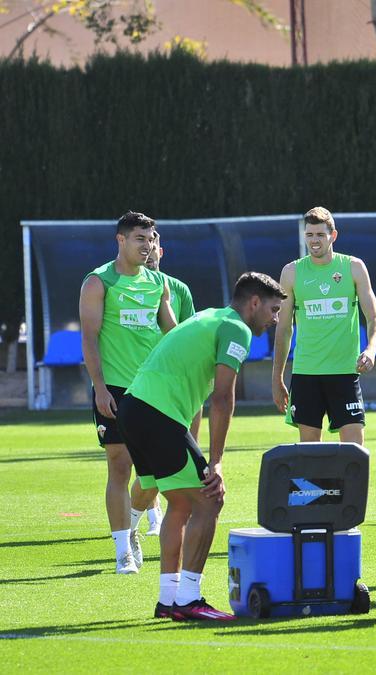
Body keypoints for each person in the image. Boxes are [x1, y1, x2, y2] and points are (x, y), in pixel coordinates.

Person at [118, 272, 284, 620]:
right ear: (254, 303)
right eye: (272, 309)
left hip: (134, 409)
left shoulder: (210, 315)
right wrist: (217, 462)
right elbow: (223, 398)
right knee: (210, 498)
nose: (275, 319)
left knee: (180, 503)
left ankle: (169, 600)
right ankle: (189, 598)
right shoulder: (236, 328)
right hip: (155, 412)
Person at [79, 211, 177, 574]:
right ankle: (123, 552)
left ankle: (134, 526)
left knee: (153, 474)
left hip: (153, 389)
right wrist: (101, 388)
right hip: (115, 389)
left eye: (151, 239)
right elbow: (88, 338)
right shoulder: (98, 282)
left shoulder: (158, 283)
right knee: (119, 467)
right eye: (140, 239)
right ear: (121, 240)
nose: (147, 246)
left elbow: (172, 332)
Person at [272, 207, 376, 446]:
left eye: (320, 235)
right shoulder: (291, 272)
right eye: (309, 234)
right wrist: (277, 377)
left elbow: (373, 317)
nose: (314, 240)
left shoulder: (353, 267)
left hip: (344, 371)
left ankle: (350, 486)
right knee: (310, 451)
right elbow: (283, 329)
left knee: (354, 449)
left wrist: (371, 349)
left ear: (333, 236)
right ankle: (319, 486)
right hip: (306, 373)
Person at [137, 233, 199, 537]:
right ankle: (145, 515)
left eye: (152, 247)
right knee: (138, 457)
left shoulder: (179, 290)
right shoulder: (123, 284)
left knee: (174, 452)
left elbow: (187, 337)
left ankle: (158, 513)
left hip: (172, 385)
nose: (148, 252)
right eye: (142, 244)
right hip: (138, 383)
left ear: (160, 251)